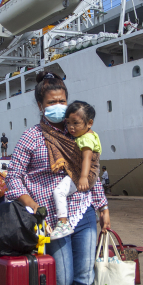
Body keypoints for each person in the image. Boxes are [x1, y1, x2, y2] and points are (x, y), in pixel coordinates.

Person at [6, 71, 110, 285]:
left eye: (63, 100)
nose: (60, 106)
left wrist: (103, 209)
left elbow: (91, 173)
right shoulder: (31, 136)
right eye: (52, 101)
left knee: (84, 279)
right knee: (62, 279)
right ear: (40, 105)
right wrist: (34, 207)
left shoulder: (76, 132)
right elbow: (14, 179)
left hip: (84, 211)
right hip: (51, 219)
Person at [50, 101, 102, 240]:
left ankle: (63, 223)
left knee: (59, 192)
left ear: (89, 123)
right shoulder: (89, 135)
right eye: (68, 123)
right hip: (89, 174)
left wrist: (83, 177)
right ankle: (91, 212)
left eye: (75, 123)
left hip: (85, 173)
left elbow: (87, 159)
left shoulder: (86, 139)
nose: (71, 128)